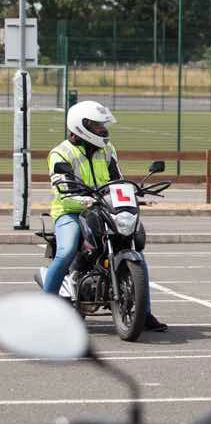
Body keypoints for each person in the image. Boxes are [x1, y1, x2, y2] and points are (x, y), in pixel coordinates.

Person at [44, 101, 167, 332]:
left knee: (135, 250)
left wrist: (132, 195)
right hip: (70, 210)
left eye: (103, 125)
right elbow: (61, 188)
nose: (103, 130)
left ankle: (144, 312)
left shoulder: (107, 149)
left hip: (102, 207)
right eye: (98, 126)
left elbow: (117, 179)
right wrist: (84, 199)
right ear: (82, 126)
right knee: (67, 250)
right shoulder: (60, 153)